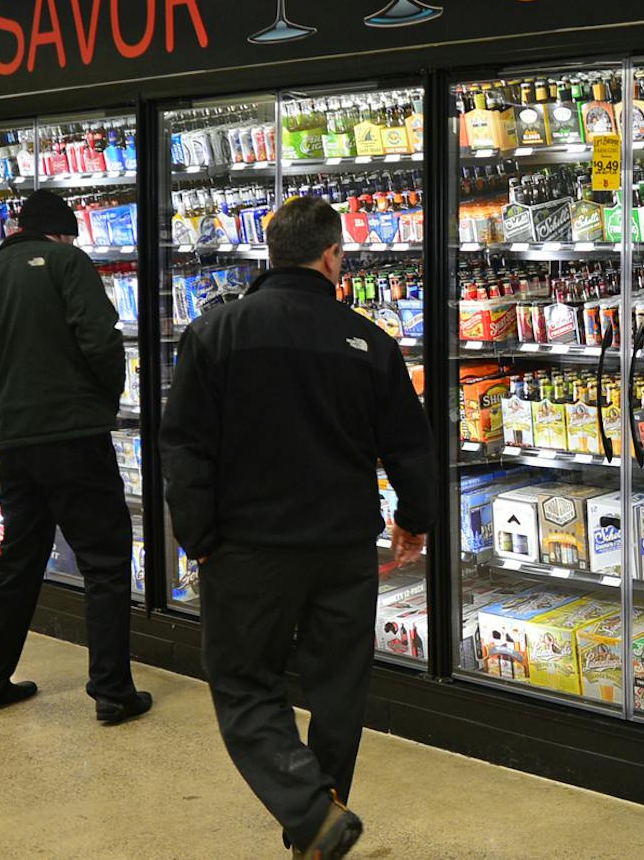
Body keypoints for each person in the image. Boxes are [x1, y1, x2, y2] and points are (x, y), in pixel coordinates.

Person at [163, 196, 433, 860]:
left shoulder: (215, 334)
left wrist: (197, 536)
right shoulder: (370, 342)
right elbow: (411, 444)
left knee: (245, 684)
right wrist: (413, 519)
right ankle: (317, 821)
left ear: (270, 252)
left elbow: (185, 447)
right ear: (332, 256)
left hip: (248, 549)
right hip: (342, 546)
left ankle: (312, 814)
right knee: (339, 690)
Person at [0, 188, 149, 723]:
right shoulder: (66, 262)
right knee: (104, 560)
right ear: (61, 233)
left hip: (16, 439)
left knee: (18, 560)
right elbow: (100, 340)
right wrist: (101, 399)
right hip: (76, 435)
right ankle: (111, 690)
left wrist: (9, 397)